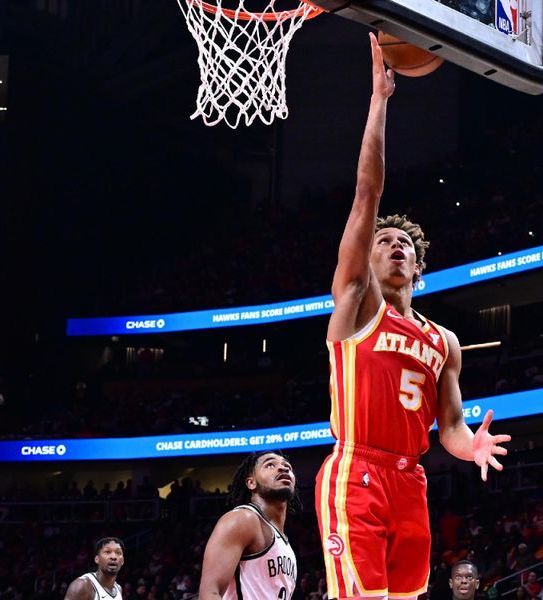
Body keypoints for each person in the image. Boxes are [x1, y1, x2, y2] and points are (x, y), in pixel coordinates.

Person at [315, 32, 511, 600]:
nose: (394, 246)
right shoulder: (357, 303)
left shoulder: (443, 339)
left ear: (419, 265)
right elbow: (365, 194)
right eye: (383, 242)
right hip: (358, 471)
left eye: (404, 243)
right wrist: (379, 100)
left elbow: (448, 424)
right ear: (367, 261)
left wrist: (469, 445)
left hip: (411, 479)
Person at [199, 451, 298, 600]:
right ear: (251, 482)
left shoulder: (285, 543)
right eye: (270, 465)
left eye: (287, 466)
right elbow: (210, 593)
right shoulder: (243, 519)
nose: (283, 468)